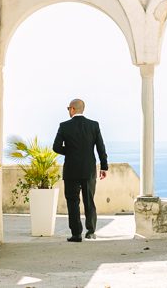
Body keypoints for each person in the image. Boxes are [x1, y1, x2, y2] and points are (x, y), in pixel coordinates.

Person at [52, 98, 108, 242]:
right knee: (89, 200)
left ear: (72, 109)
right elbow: (101, 147)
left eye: (68, 109)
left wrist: (70, 151)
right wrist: (104, 167)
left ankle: (76, 234)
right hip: (89, 169)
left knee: (72, 201)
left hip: (71, 170)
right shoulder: (93, 125)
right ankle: (90, 231)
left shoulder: (64, 126)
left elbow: (56, 147)